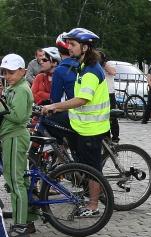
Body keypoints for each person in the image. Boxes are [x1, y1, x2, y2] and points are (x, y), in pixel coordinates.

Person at [41, 28, 111, 217]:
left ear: (85, 47)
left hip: (91, 127)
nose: (69, 48)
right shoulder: (82, 66)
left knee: (92, 168)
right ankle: (69, 158)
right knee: (49, 121)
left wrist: (56, 105)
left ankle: (93, 206)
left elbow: (82, 99)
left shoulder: (90, 71)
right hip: (80, 122)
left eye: (73, 45)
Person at [1, 54, 36, 237]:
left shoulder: (21, 89)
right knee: (19, 180)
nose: (7, 75)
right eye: (5, 72)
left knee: (16, 181)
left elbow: (18, 116)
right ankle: (27, 219)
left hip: (14, 136)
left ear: (22, 71)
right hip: (10, 137)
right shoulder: (14, 87)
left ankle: (20, 225)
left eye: (12, 72)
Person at [99, 50, 120, 142]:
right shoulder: (95, 66)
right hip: (100, 94)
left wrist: (103, 63)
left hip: (109, 93)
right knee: (102, 116)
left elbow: (113, 72)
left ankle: (115, 137)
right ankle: (105, 136)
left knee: (112, 116)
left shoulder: (109, 63)